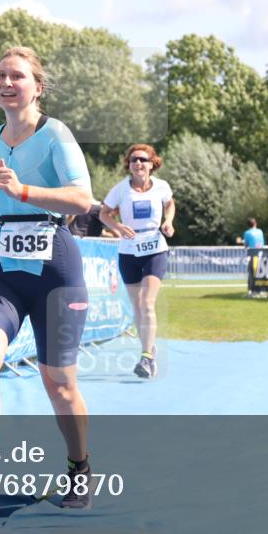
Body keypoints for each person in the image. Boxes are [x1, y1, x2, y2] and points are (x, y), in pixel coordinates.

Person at [0, 46, 93, 511]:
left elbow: (83, 200)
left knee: (60, 382)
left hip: (56, 270)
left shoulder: (57, 135)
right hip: (3, 268)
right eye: (0, 76)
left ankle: (80, 467)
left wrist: (26, 191)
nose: (7, 83)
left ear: (37, 86)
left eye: (17, 76)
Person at [99, 144, 175, 379]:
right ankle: (149, 350)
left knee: (146, 301)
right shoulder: (121, 189)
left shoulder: (161, 186)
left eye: (143, 159)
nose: (138, 163)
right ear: (129, 165)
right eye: (134, 160)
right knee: (137, 307)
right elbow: (103, 213)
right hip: (129, 251)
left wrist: (168, 221)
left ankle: (146, 357)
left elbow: (169, 204)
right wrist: (118, 227)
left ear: (152, 164)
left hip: (154, 248)